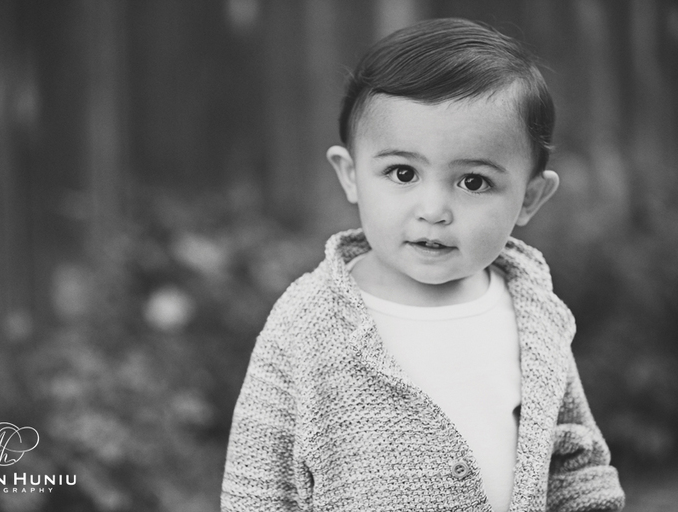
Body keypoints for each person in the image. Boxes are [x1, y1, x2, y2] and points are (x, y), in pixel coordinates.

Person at [221, 18, 625, 512]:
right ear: (350, 176)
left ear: (530, 198)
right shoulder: (306, 325)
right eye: (403, 173)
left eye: (473, 182)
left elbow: (575, 462)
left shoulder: (536, 315)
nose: (433, 209)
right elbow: (258, 488)